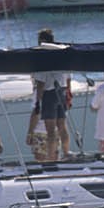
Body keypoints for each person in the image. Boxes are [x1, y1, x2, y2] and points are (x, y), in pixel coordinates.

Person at [27, 29, 69, 163]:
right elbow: (67, 80)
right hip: (61, 91)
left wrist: (38, 101)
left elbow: (40, 83)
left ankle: (51, 159)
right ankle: (66, 152)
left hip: (49, 93)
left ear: (42, 41)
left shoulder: (43, 57)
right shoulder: (61, 55)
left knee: (50, 129)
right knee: (62, 126)